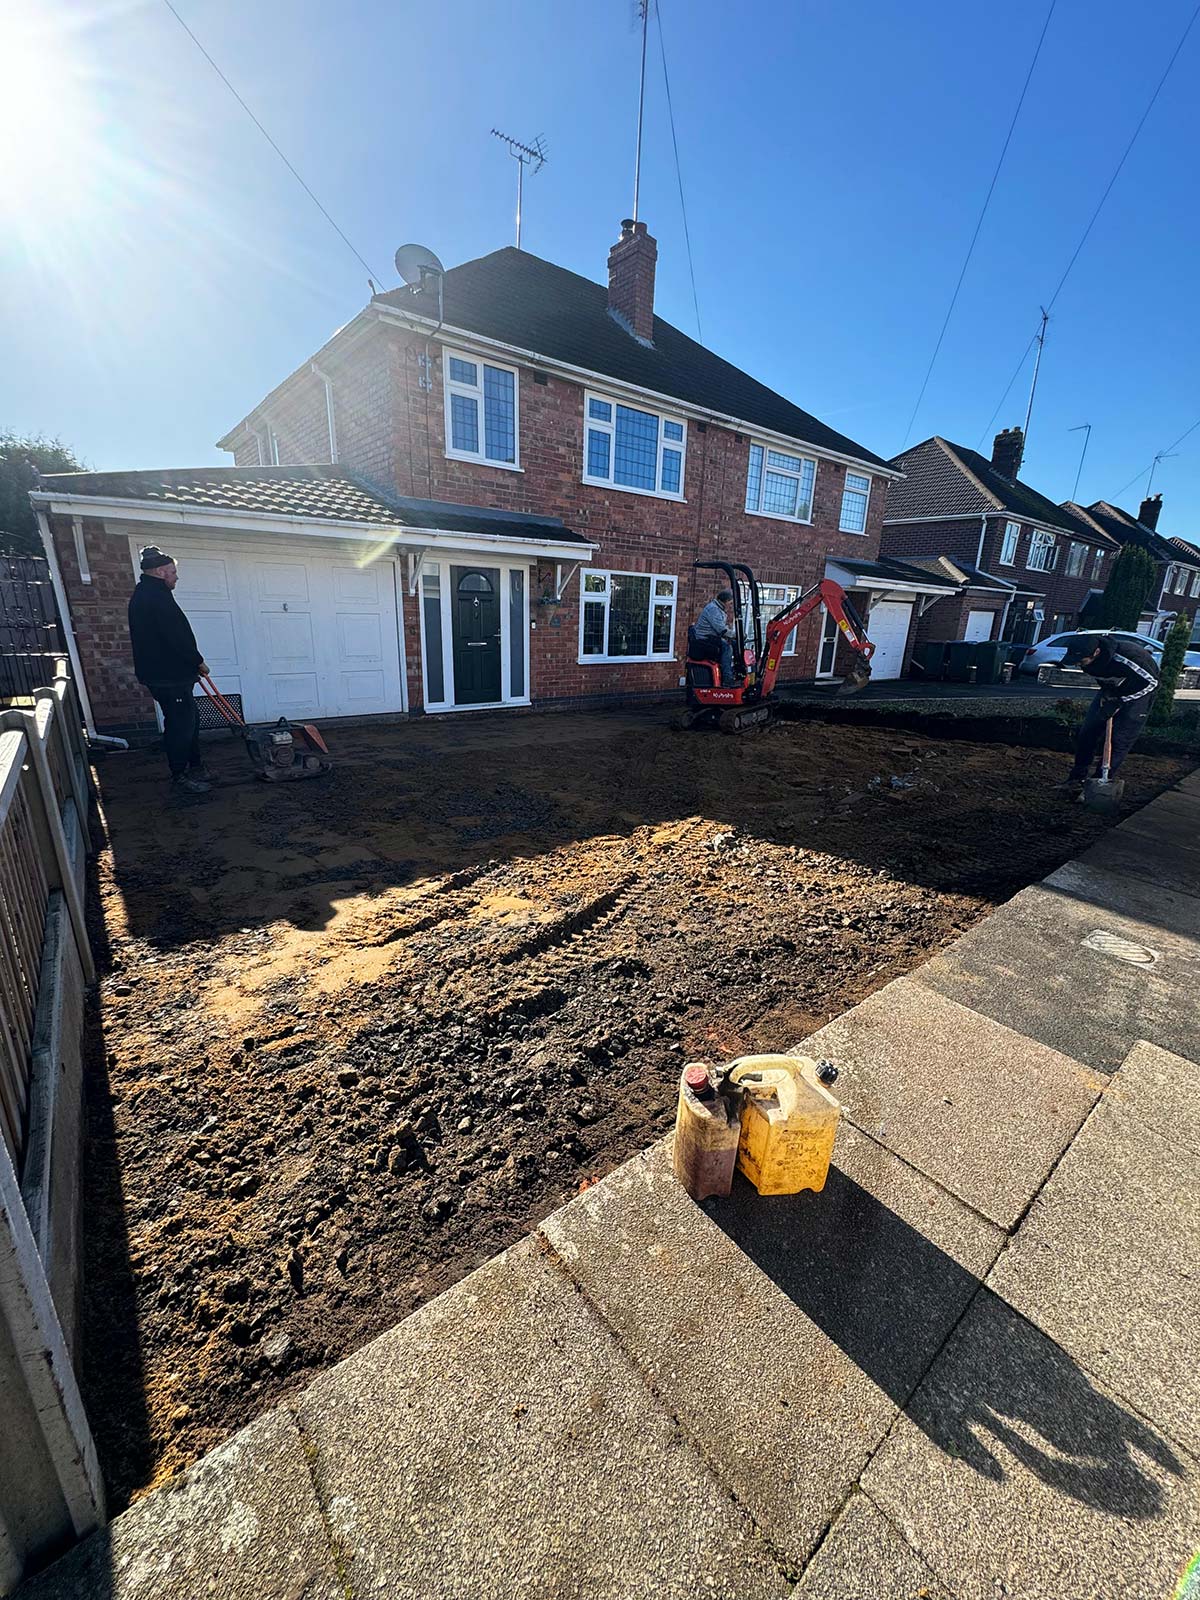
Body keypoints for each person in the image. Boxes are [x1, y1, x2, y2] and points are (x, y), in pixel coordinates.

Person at [127, 546, 212, 793]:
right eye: (173, 571)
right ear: (161, 571)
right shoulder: (153, 597)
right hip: (168, 676)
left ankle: (196, 766)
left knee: (190, 719)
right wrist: (198, 661)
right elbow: (175, 637)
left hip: (172, 674)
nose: (176, 576)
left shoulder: (151, 593)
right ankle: (180, 776)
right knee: (180, 725)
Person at [1060, 633, 1159, 792]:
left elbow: (1152, 684)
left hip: (1139, 694)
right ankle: (1076, 778)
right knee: (1088, 731)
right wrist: (1109, 697)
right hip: (1112, 690)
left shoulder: (1128, 658)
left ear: (1096, 652)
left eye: (1081, 661)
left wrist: (1121, 701)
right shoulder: (1086, 657)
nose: (1079, 664)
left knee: (1119, 739)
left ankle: (1099, 784)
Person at [693, 587, 738, 685]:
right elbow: (721, 630)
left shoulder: (718, 609)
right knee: (727, 647)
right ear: (725, 601)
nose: (730, 606)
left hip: (711, 635)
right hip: (704, 637)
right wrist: (736, 635)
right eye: (730, 603)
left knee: (735, 644)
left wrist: (734, 636)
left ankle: (734, 671)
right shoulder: (713, 610)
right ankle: (727, 678)